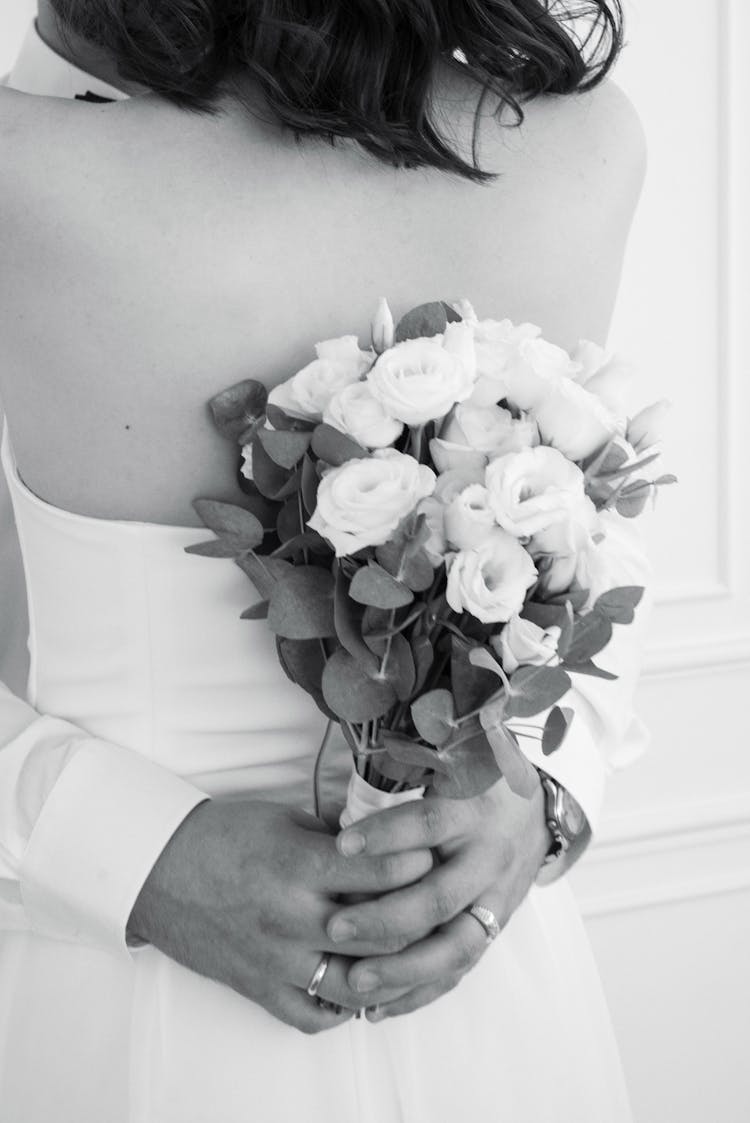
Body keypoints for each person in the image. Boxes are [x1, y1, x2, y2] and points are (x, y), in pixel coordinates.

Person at [0, 2, 652, 1120]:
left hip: (127, 1017)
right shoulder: (582, 147)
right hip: (487, 1010)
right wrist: (537, 795)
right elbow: (587, 568)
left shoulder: (29, 174)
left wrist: (129, 852)